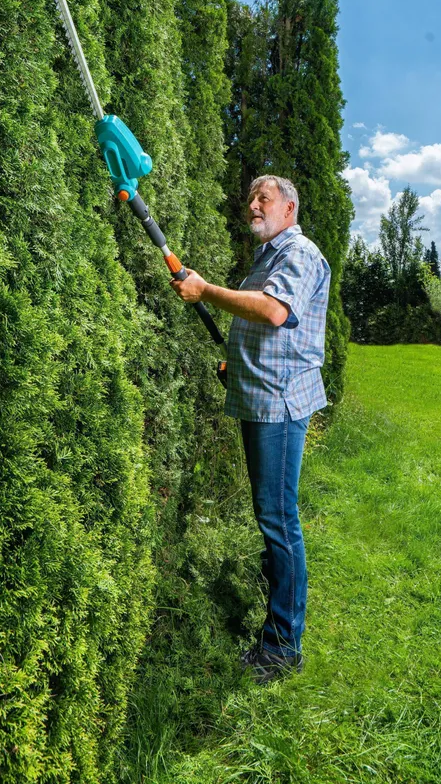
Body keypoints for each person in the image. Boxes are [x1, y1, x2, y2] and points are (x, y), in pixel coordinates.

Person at [170, 174, 331, 685]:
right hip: (260, 394)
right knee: (272, 515)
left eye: (264, 198)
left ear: (289, 208)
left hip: (279, 403)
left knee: (278, 518)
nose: (254, 205)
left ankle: (283, 647)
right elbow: (262, 328)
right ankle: (277, 592)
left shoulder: (299, 253)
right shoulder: (268, 257)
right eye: (251, 198)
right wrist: (235, 363)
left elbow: (274, 311)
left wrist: (204, 290)